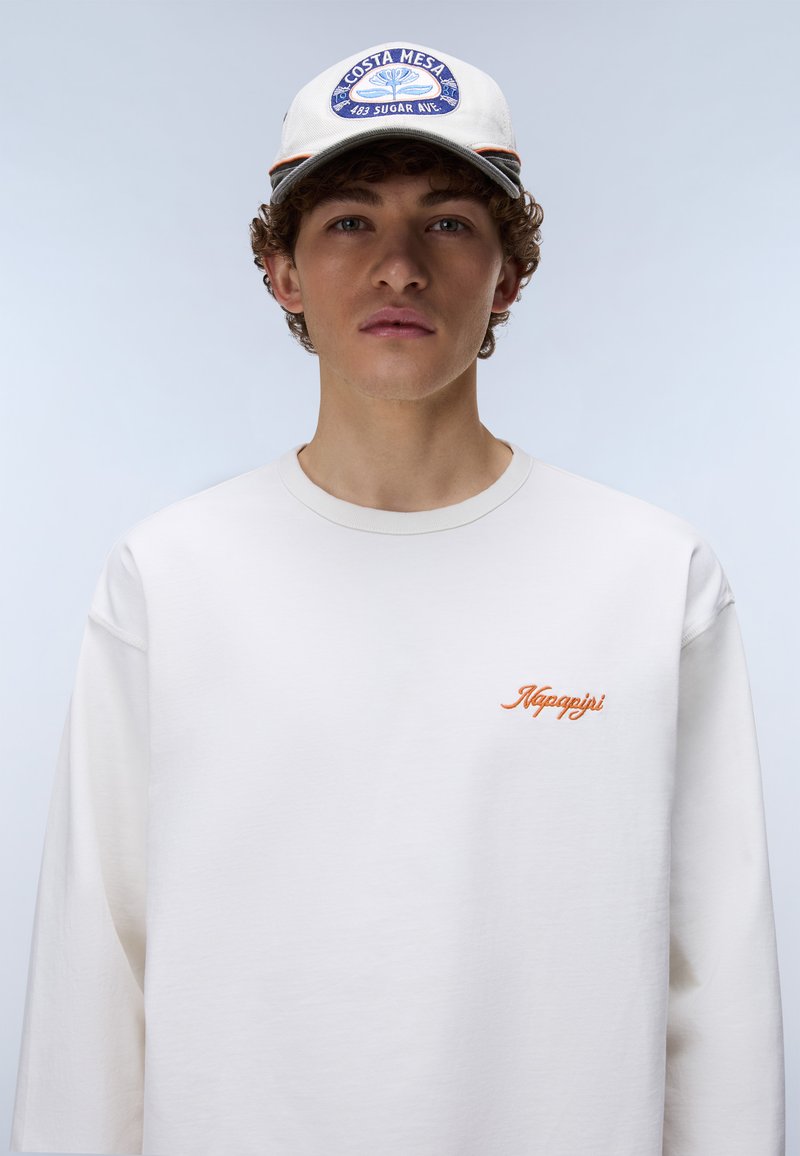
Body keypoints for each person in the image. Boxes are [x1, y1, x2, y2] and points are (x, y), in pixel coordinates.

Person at [10, 40, 785, 1156]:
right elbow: (94, 974)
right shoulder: (171, 578)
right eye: (349, 222)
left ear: (507, 274)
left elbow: (717, 988)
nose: (398, 267)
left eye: (448, 223)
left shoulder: (651, 578)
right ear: (281, 272)